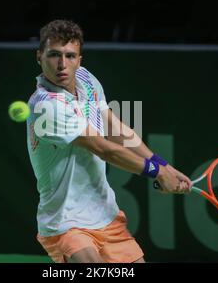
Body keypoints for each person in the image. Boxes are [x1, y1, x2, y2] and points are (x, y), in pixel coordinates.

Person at [26, 19, 191, 263]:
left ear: (80, 60)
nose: (62, 64)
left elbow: (115, 129)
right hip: (65, 221)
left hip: (105, 214)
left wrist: (163, 165)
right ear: (39, 56)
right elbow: (104, 149)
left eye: (71, 56)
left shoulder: (86, 80)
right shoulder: (46, 105)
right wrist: (156, 173)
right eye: (54, 55)